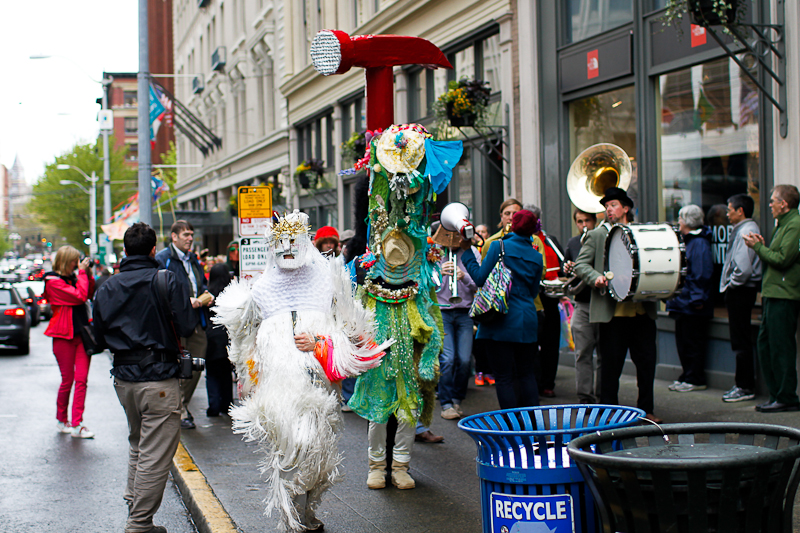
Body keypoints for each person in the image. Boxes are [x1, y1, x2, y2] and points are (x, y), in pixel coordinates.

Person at [213, 210, 387, 531]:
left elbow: (350, 329)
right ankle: (293, 517)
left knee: (318, 450)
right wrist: (249, 375)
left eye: (294, 241)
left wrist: (319, 342)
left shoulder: (327, 280)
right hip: (280, 389)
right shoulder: (262, 289)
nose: (288, 248)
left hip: (318, 385)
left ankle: (305, 512)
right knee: (291, 448)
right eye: (281, 242)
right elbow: (245, 340)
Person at [93, 222, 194, 533]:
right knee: (154, 454)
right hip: (159, 378)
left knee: (138, 444)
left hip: (124, 380)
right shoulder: (166, 279)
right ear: (153, 250)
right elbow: (187, 326)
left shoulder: (107, 286)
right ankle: (139, 523)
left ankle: (134, 506)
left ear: (125, 250)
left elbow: (98, 336)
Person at [573, 187, 662, 423]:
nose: (608, 210)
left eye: (613, 205)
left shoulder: (640, 232)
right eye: (606, 207)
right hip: (613, 315)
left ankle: (647, 410)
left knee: (646, 365)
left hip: (642, 312)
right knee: (610, 368)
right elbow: (581, 265)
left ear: (626, 208)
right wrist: (596, 278)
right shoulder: (597, 235)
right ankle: (609, 413)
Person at [461, 209, 543, 409]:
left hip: (500, 318)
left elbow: (480, 278)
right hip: (527, 319)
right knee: (526, 374)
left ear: (513, 225)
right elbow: (534, 292)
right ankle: (533, 422)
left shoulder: (499, 246)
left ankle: (510, 424)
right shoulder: (536, 256)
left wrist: (467, 253)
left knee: (504, 377)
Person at [744, 184, 800, 413]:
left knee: (780, 347)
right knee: (766, 345)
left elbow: (782, 259)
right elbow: (778, 255)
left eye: (772, 201)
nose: (769, 205)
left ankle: (786, 396)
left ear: (783, 204)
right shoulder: (784, 224)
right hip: (774, 293)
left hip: (783, 294)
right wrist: (763, 246)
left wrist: (758, 247)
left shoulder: (794, 224)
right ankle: (777, 395)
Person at [155, 220, 213, 430]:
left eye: (191, 234)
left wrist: (205, 295)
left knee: (196, 364)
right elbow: (159, 290)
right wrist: (183, 301)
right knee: (177, 366)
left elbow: (200, 283)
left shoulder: (193, 259)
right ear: (174, 236)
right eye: (186, 234)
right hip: (174, 322)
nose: (190, 238)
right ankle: (177, 408)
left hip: (196, 319)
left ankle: (181, 404)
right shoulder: (163, 259)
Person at [44, 246, 96, 438]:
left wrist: (87, 274)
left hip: (82, 336)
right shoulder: (52, 282)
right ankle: (61, 419)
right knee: (68, 380)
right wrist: (82, 274)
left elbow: (89, 293)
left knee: (81, 380)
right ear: (67, 261)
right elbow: (79, 296)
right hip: (63, 336)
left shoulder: (77, 277)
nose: (77, 263)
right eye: (75, 260)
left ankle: (77, 424)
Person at [432, 225, 480, 420]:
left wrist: (464, 276)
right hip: (442, 311)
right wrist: (439, 273)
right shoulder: (434, 253)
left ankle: (457, 399)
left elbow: (479, 282)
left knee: (465, 360)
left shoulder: (472, 252)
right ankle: (446, 403)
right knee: (448, 359)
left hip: (465, 311)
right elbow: (426, 284)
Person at [666, 205, 714, 393]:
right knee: (684, 342)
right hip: (683, 302)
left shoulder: (699, 243)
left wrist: (697, 299)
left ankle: (695, 378)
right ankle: (687, 375)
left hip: (691, 304)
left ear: (687, 221)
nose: (678, 222)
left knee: (693, 343)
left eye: (680, 218)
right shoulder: (689, 240)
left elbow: (700, 274)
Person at [719, 193, 761, 402]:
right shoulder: (743, 229)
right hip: (740, 290)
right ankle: (743, 385)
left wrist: (731, 284)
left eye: (730, 210)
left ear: (740, 211)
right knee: (740, 339)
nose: (727, 214)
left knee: (740, 340)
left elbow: (743, 268)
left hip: (741, 291)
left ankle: (744, 386)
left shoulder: (747, 230)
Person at [526, 204, 565, 398]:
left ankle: (548, 383)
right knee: (532, 343)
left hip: (550, 298)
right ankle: (533, 382)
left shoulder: (550, 240)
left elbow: (562, 264)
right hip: (532, 298)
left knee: (551, 342)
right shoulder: (520, 241)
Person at [562, 208, 601, 403]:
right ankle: (585, 398)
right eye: (579, 221)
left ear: (595, 221)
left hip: (602, 303)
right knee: (582, 353)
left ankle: (603, 397)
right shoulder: (573, 243)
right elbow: (566, 275)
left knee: (604, 355)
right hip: (582, 303)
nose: (584, 225)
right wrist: (568, 268)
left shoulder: (602, 240)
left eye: (587, 221)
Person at [205, 263, 234, 417]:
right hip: (228, 337)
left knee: (212, 373)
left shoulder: (207, 295)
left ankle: (214, 405)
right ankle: (227, 404)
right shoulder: (231, 294)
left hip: (210, 337)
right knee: (226, 373)